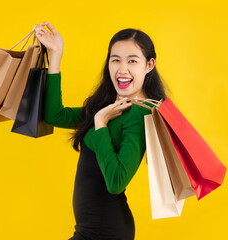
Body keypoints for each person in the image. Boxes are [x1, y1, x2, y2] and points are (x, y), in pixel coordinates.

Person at [34, 22, 170, 240]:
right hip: (90, 231)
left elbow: (116, 182)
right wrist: (56, 54)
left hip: (106, 232)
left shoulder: (140, 114)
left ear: (149, 65)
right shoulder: (109, 106)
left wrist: (100, 123)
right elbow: (54, 116)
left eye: (132, 61)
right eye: (115, 59)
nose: (122, 69)